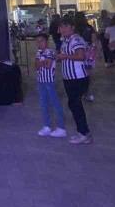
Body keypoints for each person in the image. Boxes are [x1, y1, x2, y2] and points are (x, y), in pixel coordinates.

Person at [56, 16, 92, 144]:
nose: (63, 29)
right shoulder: (65, 40)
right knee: (74, 105)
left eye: (66, 26)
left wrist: (65, 56)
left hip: (77, 78)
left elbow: (81, 56)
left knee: (75, 105)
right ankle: (82, 132)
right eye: (62, 26)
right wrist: (61, 57)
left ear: (72, 27)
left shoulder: (75, 39)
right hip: (69, 78)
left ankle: (84, 133)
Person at [33, 33, 66, 138]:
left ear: (46, 41)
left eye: (41, 41)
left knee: (55, 103)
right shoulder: (39, 52)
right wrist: (42, 62)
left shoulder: (50, 52)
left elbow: (48, 66)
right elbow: (36, 66)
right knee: (43, 104)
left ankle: (61, 127)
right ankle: (46, 126)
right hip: (40, 81)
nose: (39, 43)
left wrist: (41, 62)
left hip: (49, 82)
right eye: (37, 41)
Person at [75, 12, 97, 102]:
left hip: (76, 53)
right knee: (87, 74)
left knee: (76, 73)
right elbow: (94, 41)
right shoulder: (89, 28)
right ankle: (86, 93)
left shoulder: (74, 29)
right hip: (88, 53)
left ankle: (78, 92)